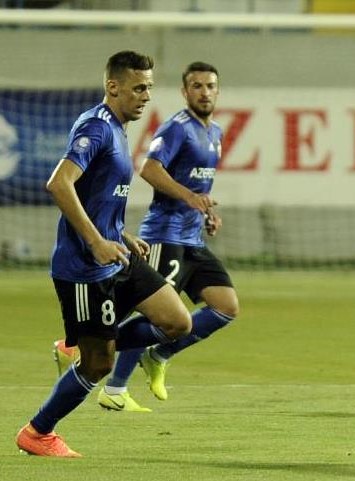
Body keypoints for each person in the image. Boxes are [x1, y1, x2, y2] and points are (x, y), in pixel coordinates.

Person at [15, 51, 193, 458]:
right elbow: (60, 184)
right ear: (113, 86)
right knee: (99, 366)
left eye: (149, 86)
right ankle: (38, 432)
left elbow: (95, 195)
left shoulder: (118, 128)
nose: (146, 95)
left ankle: (75, 344)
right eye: (138, 87)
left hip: (115, 255)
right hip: (83, 269)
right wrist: (96, 241)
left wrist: (120, 234)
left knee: (177, 321)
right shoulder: (96, 127)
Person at [54, 61, 238, 412]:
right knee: (156, 313)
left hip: (191, 237)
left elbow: (199, 184)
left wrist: (205, 213)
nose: (204, 92)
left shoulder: (215, 133)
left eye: (210, 85)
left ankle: (142, 355)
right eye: (196, 86)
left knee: (225, 308)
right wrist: (188, 198)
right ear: (185, 92)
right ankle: (113, 384)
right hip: (165, 235)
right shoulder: (174, 129)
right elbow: (149, 169)